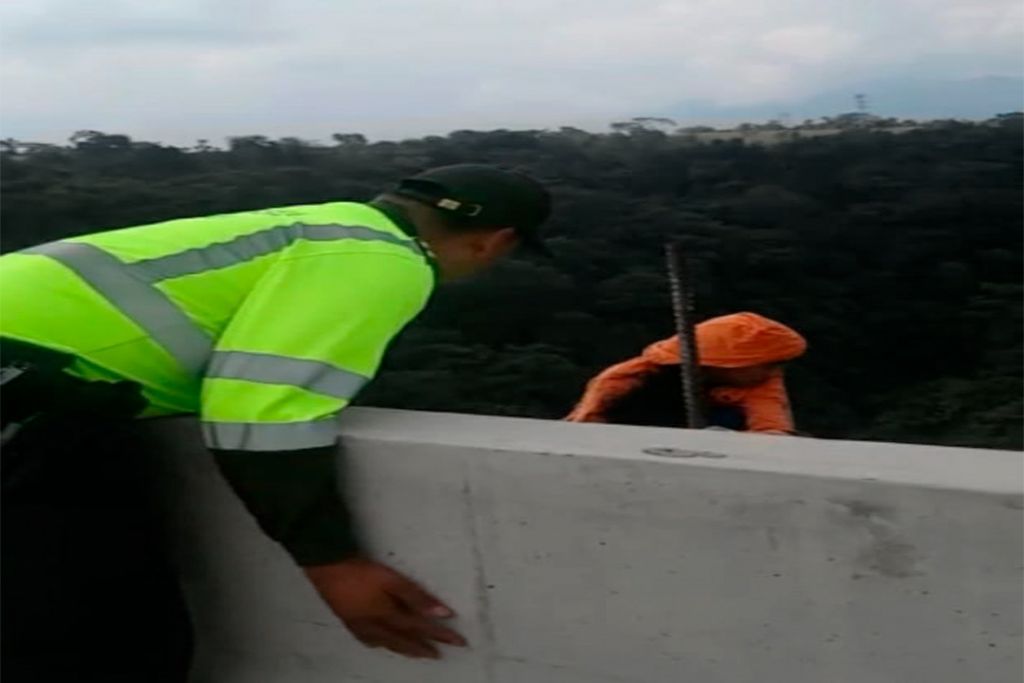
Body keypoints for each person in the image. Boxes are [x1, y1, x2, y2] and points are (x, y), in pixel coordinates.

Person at [0, 164, 551, 680]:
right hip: (26, 392)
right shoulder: (383, 259)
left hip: (39, 390)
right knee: (102, 637)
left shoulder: (316, 229)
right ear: (494, 242)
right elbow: (260, 413)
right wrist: (334, 564)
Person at [566, 312, 807, 433]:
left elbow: (769, 427)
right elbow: (589, 428)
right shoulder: (627, 378)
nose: (776, 372)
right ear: (726, 363)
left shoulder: (760, 379)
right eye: (769, 364)